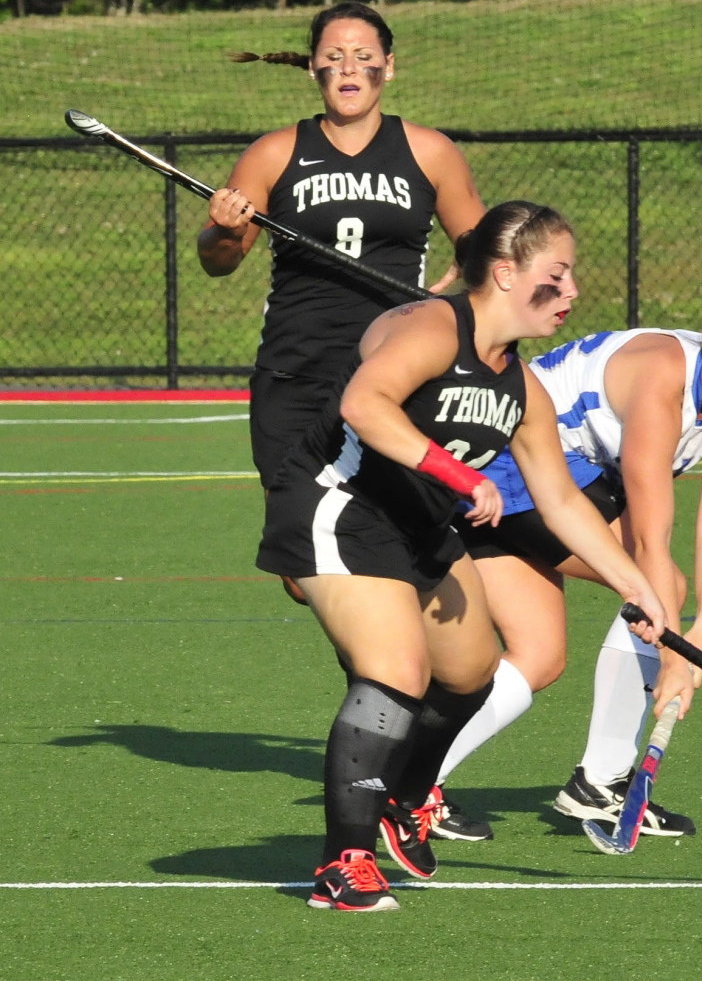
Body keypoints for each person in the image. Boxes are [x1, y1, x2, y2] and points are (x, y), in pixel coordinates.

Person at [255, 201, 670, 911]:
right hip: (340, 504)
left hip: (416, 523)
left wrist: (638, 587)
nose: (571, 293)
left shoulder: (520, 383)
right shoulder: (431, 326)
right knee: (397, 670)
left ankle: (402, 798)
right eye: (556, 276)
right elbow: (363, 403)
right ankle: (342, 860)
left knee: (471, 669)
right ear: (505, 273)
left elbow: (564, 503)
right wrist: (462, 476)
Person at [196, 2, 488, 841]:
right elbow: (220, 263)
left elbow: (480, 258)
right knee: (307, 571)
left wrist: (436, 311)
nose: (349, 67)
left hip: (391, 380)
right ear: (315, 69)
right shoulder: (276, 152)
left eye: (364, 55)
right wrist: (223, 232)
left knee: (389, 550)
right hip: (296, 384)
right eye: (333, 56)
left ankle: (394, 752)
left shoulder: (427, 152)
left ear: (388, 67)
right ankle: (382, 715)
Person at [440, 285, 702, 839]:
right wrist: (674, 650)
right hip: (511, 467)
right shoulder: (662, 374)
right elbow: (651, 536)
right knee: (661, 586)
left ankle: (414, 786)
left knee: (539, 655)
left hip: (566, 480)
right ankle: (601, 782)